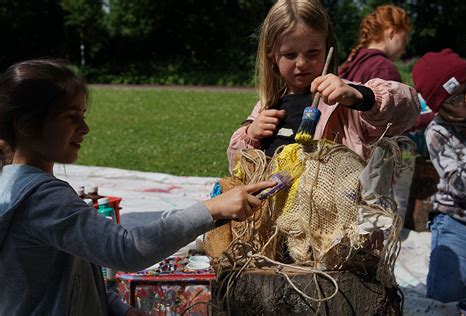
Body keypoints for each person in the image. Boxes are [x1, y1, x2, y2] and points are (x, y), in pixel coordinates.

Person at [0, 59, 275, 315]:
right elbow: (126, 250)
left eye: (82, 115)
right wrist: (212, 209)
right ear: (26, 126)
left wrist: (117, 309)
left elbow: (70, 276)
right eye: (72, 117)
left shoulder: (17, 189)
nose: (85, 128)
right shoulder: (43, 199)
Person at [227, 0, 420, 172]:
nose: (301, 63)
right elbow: (237, 167)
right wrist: (250, 135)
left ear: (328, 49)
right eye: (290, 55)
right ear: (272, 55)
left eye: (312, 52)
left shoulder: (343, 100)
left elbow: (408, 110)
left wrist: (361, 97)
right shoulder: (267, 105)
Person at [412, 49, 466, 302]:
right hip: (457, 218)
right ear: (442, 108)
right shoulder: (438, 131)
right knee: (446, 296)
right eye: (455, 99)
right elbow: (460, 188)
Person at [338, 4, 410, 83]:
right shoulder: (384, 68)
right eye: (404, 41)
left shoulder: (354, 61)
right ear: (392, 33)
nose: (404, 50)